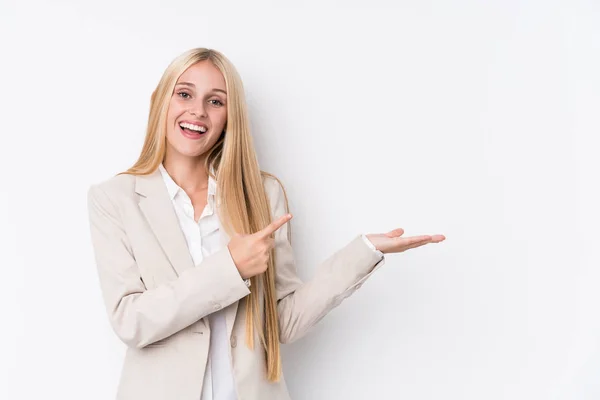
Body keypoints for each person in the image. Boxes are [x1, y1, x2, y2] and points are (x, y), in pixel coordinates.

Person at [86, 47, 445, 400]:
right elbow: (131, 320)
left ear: (231, 116)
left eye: (216, 101)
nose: (198, 111)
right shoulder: (115, 199)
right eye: (184, 94)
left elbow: (283, 321)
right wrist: (230, 268)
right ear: (160, 101)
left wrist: (364, 252)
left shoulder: (262, 194)